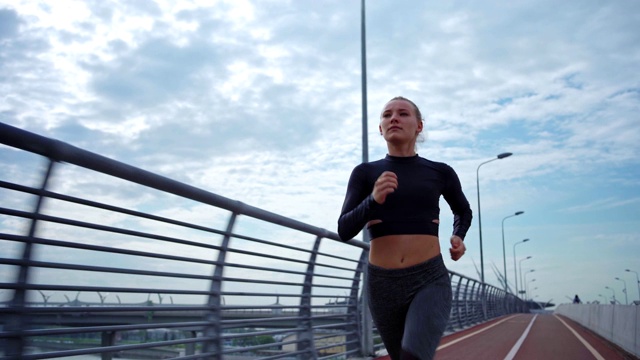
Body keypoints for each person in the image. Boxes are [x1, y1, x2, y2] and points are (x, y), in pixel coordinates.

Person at [338, 96, 473, 360]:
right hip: (382, 283)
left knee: (413, 356)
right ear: (380, 129)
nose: (394, 118)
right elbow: (344, 229)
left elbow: (463, 210)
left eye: (402, 113)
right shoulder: (365, 173)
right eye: (387, 115)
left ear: (419, 126)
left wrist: (458, 236)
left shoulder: (440, 172)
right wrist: (372, 199)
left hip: (429, 279)